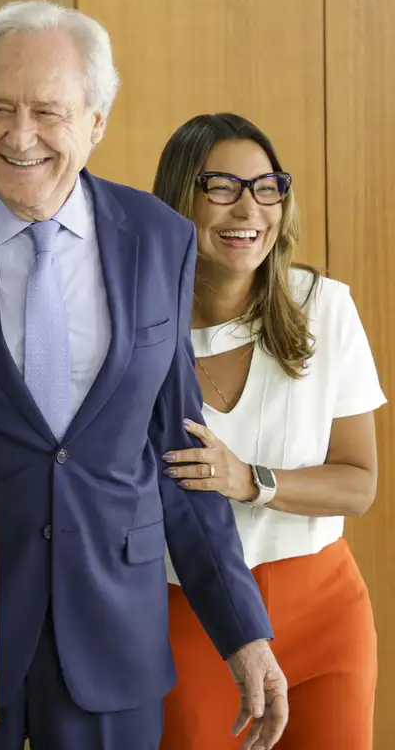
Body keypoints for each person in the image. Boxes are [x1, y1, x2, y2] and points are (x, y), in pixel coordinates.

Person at [0, 0, 289, 750]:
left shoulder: (158, 239)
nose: (19, 136)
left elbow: (183, 453)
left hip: (113, 639)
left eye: (48, 112)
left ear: (97, 120)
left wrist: (243, 631)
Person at [151, 112, 383, 750]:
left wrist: (249, 481)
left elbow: (358, 483)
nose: (248, 207)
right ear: (180, 199)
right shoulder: (138, 331)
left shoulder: (323, 307)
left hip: (325, 604)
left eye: (266, 186)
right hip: (187, 610)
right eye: (221, 186)